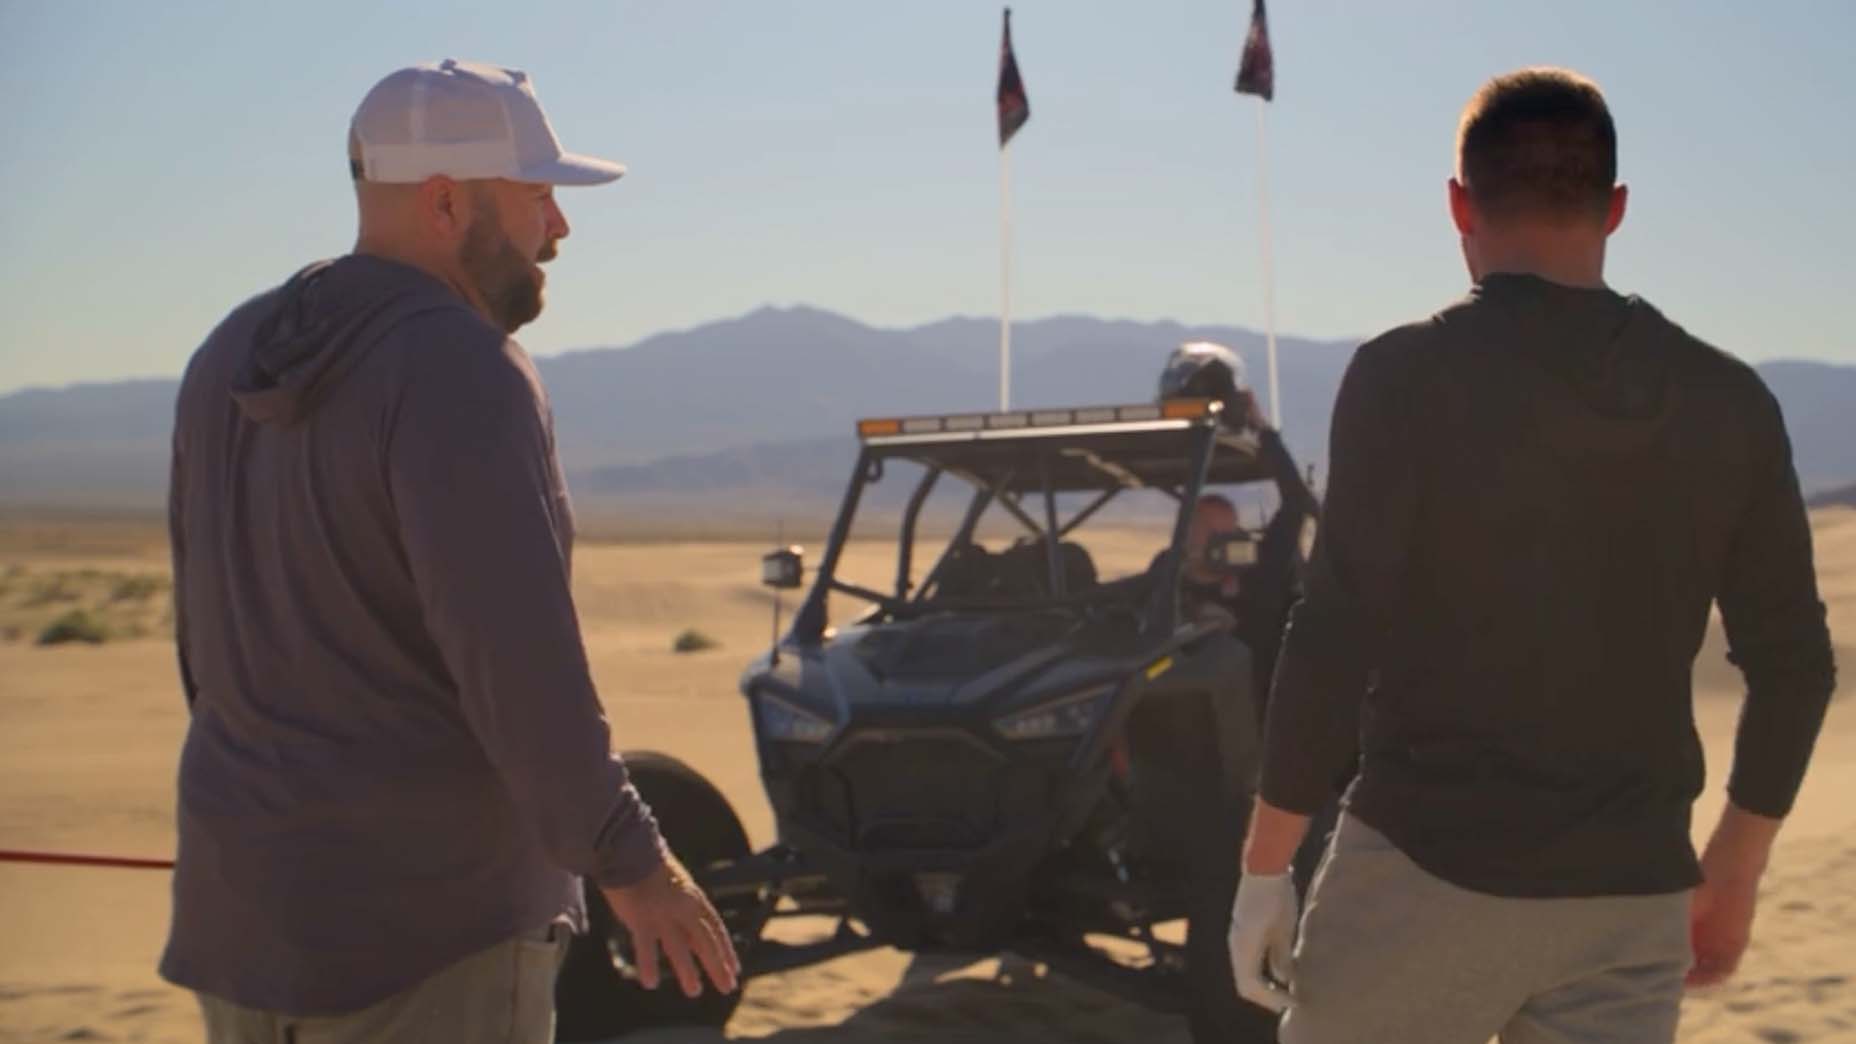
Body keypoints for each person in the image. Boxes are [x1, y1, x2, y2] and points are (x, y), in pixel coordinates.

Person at [1228, 67, 1835, 1044]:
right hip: (1628, 897)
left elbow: (1331, 634)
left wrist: (1263, 872)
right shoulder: (1728, 400)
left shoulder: (1403, 376)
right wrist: (1732, 867)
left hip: (1422, 873)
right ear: (1615, 210)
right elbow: (1795, 664)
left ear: (1457, 203)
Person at [163, 59, 739, 1043]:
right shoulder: (461, 369)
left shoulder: (229, 354)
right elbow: (519, 669)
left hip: (246, 913)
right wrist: (635, 865)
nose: (558, 229)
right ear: (444, 201)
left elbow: (206, 652)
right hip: (429, 934)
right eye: (538, 197)